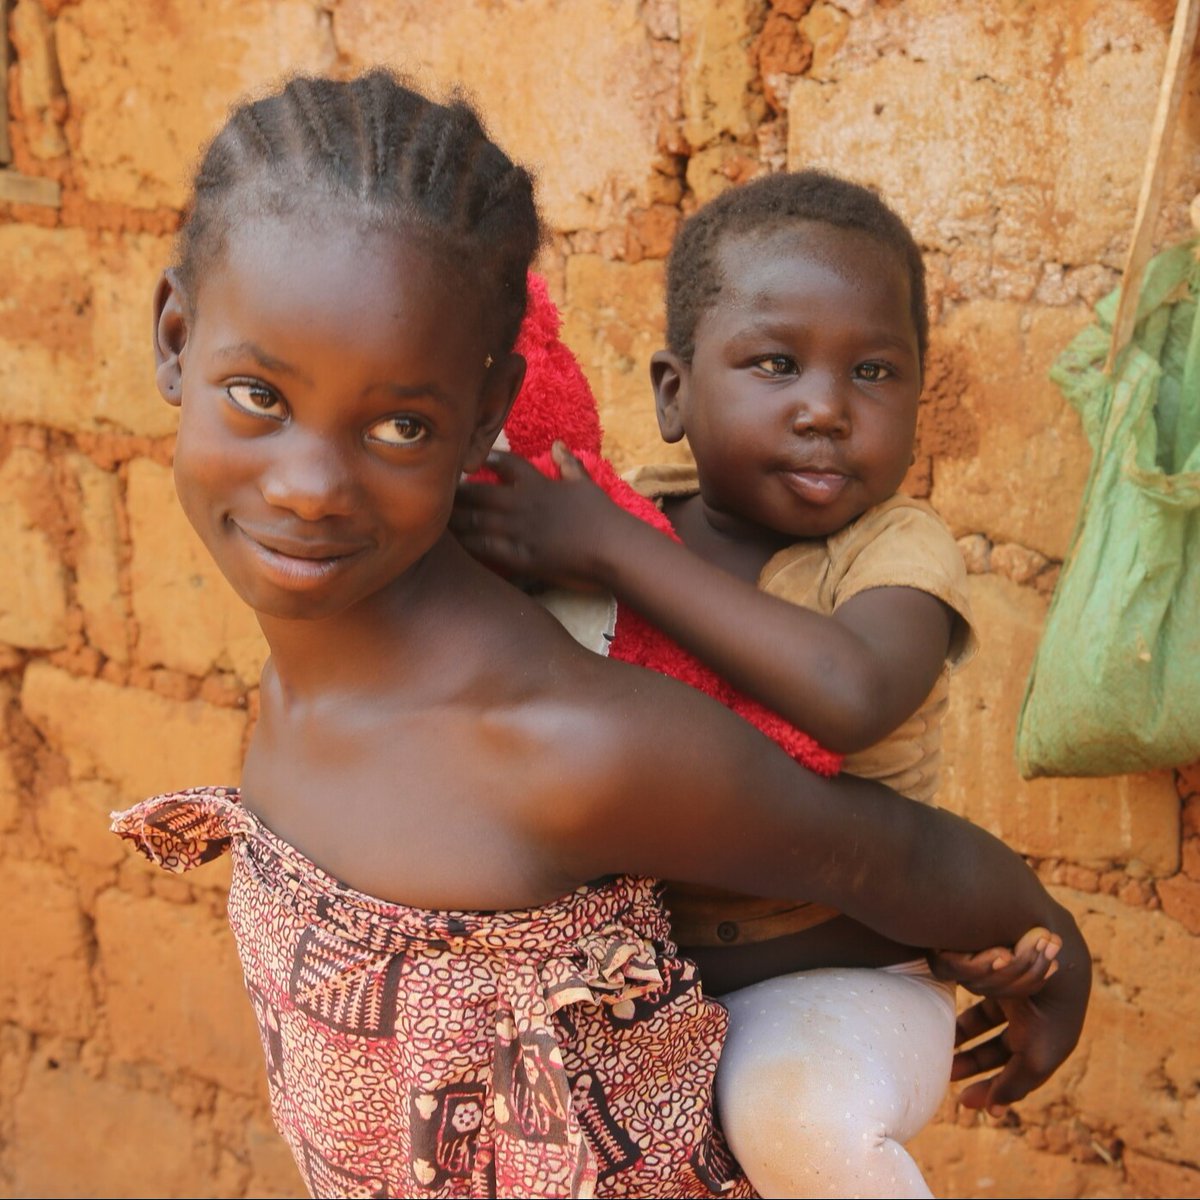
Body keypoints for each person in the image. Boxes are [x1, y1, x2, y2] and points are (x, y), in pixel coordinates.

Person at [111, 72, 1089, 1200]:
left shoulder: (558, 742)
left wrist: (1052, 947)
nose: (311, 488)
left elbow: (872, 850)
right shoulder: (328, 658)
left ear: (482, 417)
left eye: (398, 424)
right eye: (259, 396)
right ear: (177, 338)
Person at [451, 169, 1064, 1197]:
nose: (826, 409)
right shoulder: (617, 518)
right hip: (643, 985)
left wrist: (611, 554)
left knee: (798, 1113)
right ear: (674, 392)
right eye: (776, 364)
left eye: (874, 373)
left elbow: (852, 690)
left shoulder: (891, 550)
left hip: (845, 982)